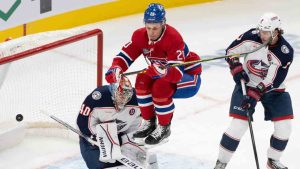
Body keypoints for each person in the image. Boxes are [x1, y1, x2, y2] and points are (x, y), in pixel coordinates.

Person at [105, 3, 202, 146]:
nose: (151, 32)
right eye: (148, 27)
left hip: (188, 77)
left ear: (163, 24)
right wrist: (116, 68)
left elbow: (176, 74)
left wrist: (162, 70)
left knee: (160, 87)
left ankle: (164, 127)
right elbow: (125, 56)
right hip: (164, 73)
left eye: (155, 28)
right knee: (142, 80)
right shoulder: (139, 36)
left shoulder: (173, 37)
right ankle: (149, 122)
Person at [214, 13, 294, 169]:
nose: (262, 35)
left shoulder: (284, 52)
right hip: (247, 84)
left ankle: (273, 161)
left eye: (267, 32)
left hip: (273, 89)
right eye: (261, 31)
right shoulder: (251, 36)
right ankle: (221, 163)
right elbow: (231, 51)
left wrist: (255, 94)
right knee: (238, 125)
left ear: (276, 31)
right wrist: (236, 68)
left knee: (284, 127)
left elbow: (273, 80)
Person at [77, 76, 157, 169]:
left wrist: (128, 139)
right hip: (92, 141)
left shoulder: (138, 99)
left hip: (120, 137)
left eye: (126, 97)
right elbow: (82, 123)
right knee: (101, 166)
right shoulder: (98, 98)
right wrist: (101, 137)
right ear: (114, 91)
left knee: (138, 160)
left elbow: (137, 121)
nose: (123, 100)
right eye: (121, 96)